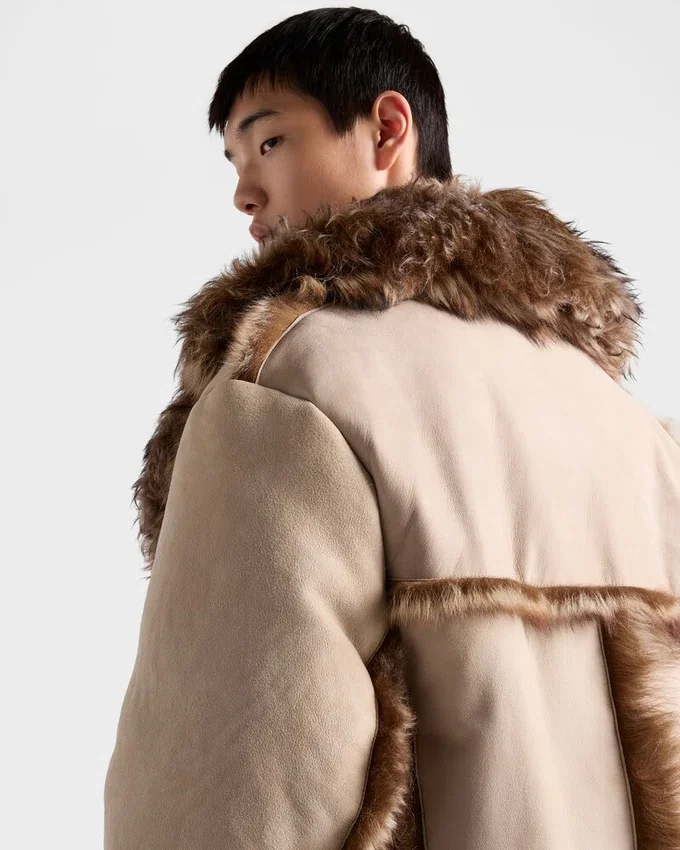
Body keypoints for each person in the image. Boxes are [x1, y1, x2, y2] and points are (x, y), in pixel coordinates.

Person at [103, 7, 680, 850]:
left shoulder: (293, 385)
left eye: (269, 142)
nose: (243, 194)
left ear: (386, 129)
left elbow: (236, 786)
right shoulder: (627, 426)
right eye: (234, 162)